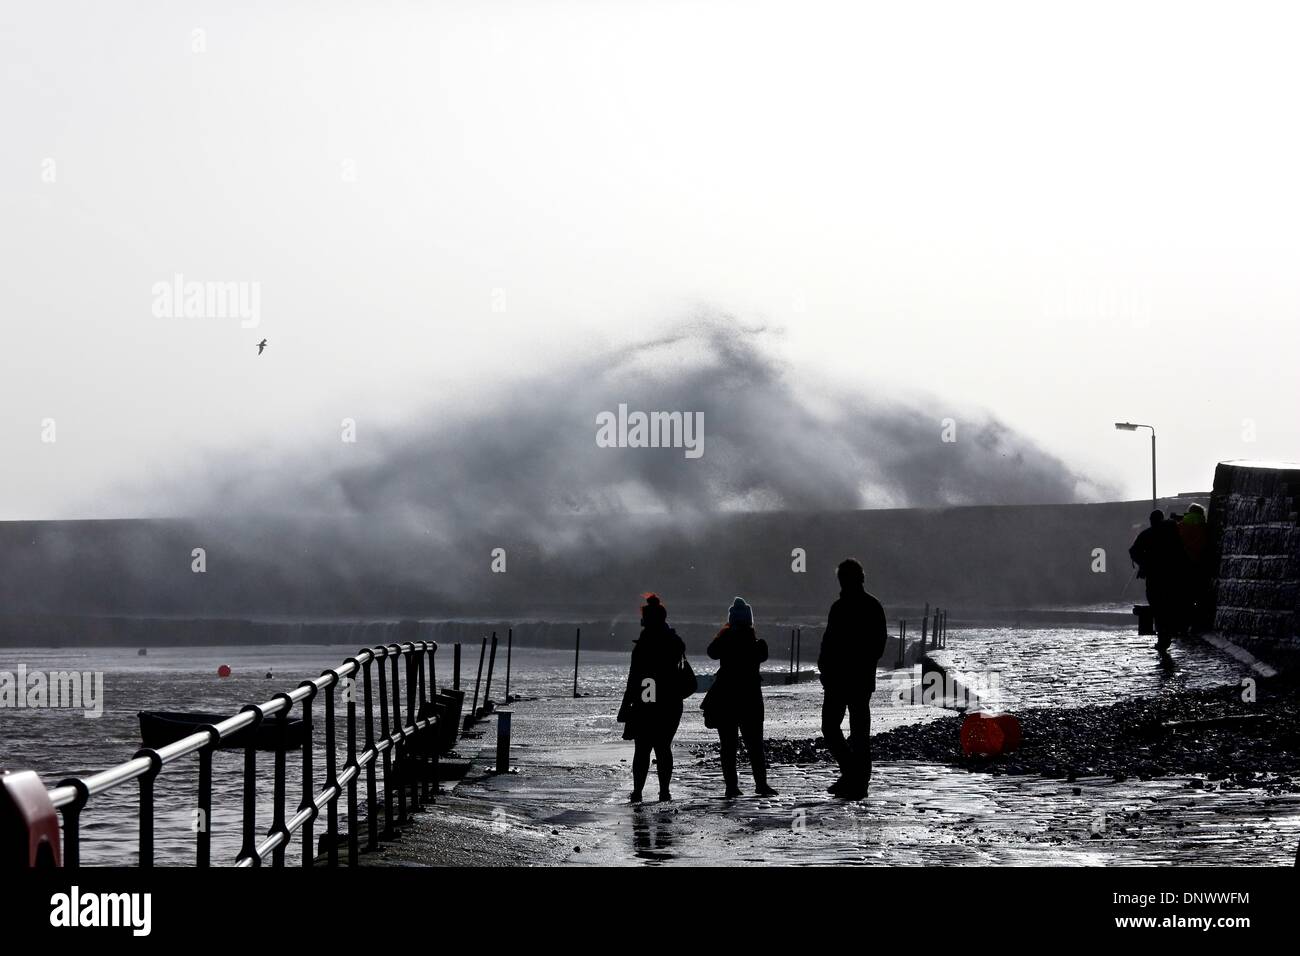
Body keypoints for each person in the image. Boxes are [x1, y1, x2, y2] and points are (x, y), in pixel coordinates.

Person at [817, 558, 887, 800]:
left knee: (837, 728)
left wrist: (827, 667)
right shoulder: (871, 606)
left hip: (843, 679)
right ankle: (855, 777)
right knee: (856, 732)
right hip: (854, 679)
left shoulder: (843, 607)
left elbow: (830, 643)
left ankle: (854, 777)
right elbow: (878, 645)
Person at [702, 597, 777, 798]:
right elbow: (762, 656)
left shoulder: (725, 640)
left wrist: (725, 632)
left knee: (728, 746)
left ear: (732, 621)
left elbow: (711, 652)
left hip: (726, 698)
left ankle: (731, 787)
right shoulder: (757, 644)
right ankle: (761, 785)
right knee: (755, 745)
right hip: (750, 698)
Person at [617, 593, 687, 803]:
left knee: (643, 748)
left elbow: (634, 678)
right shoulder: (674, 642)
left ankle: (638, 792)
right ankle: (664, 791)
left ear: (647, 620)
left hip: (647, 697)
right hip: (671, 701)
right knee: (664, 747)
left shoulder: (643, 645)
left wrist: (625, 705)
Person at [1129, 510, 1187, 651]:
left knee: (1157, 606)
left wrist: (1143, 563)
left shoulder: (1146, 534)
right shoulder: (1172, 534)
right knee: (1168, 606)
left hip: (1154, 576)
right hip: (1170, 576)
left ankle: (1163, 637)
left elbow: (1133, 551)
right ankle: (1166, 635)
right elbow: (1181, 552)